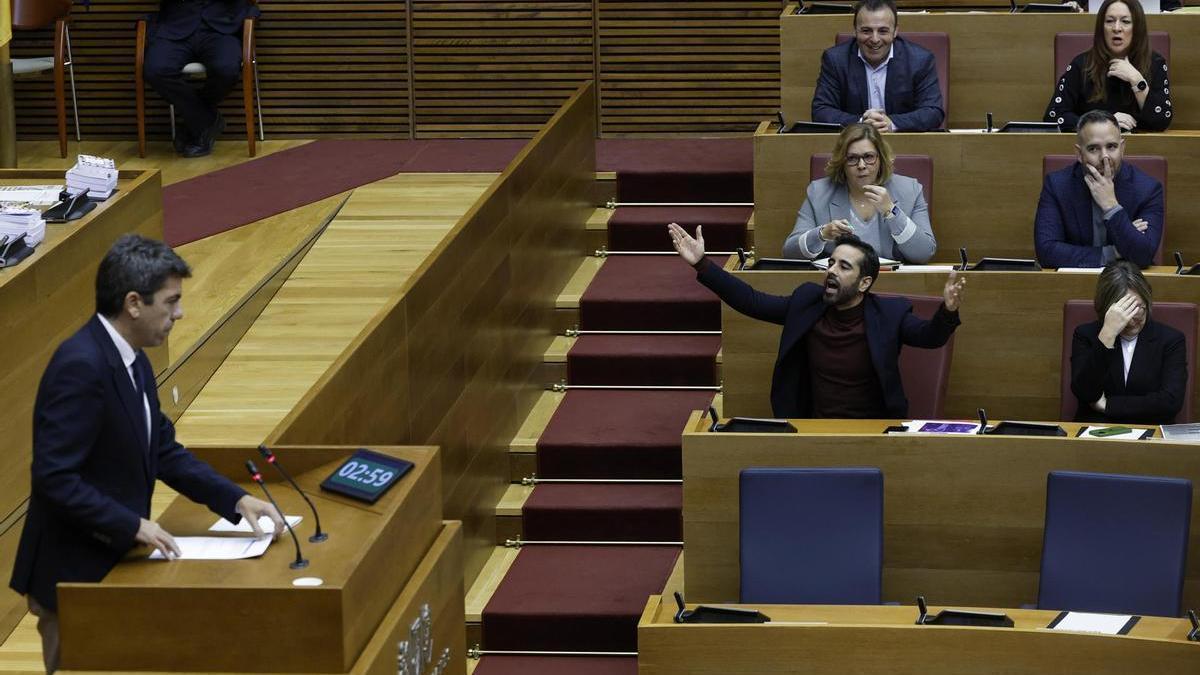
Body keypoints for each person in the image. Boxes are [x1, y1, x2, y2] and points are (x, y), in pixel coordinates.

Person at [9, 235, 283, 674]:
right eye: (171, 302)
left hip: (115, 562)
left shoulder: (133, 358)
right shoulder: (80, 366)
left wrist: (233, 498)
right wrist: (132, 524)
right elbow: (54, 478)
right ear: (134, 303)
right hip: (75, 573)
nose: (180, 314)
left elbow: (163, 451)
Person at [668, 225, 965, 418]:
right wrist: (702, 264)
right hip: (811, 426)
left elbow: (930, 337)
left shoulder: (890, 313)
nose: (831, 271)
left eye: (843, 266)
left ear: (864, 283)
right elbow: (752, 301)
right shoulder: (807, 302)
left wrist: (948, 311)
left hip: (873, 431)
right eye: (831, 262)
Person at [783, 123, 935, 263]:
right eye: (852, 158)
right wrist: (822, 234)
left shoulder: (910, 190)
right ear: (842, 162)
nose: (861, 165)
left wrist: (892, 212)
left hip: (894, 283)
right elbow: (790, 252)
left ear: (880, 158)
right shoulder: (819, 192)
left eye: (868, 157)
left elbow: (924, 253)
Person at [1034, 109, 1162, 269]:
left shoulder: (1148, 189)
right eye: (1093, 148)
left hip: (1127, 285)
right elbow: (1047, 252)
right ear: (1079, 154)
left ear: (1122, 149)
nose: (1105, 157)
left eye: (1111, 147)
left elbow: (1143, 255)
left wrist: (1111, 206)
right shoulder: (1057, 185)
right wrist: (1115, 252)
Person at [1070, 261, 1187, 424]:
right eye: (1125, 311)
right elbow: (1085, 393)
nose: (1132, 321)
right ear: (1107, 309)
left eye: (1138, 308)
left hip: (1151, 434)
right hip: (1095, 432)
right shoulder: (1086, 335)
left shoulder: (1171, 340)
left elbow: (1170, 402)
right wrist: (1107, 334)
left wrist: (1109, 405)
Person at [143, 0, 260, 158]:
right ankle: (206, 120)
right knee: (155, 69)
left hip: (223, 27)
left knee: (225, 69)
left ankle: (197, 120)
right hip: (175, 26)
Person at [811, 0, 944, 132]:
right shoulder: (835, 60)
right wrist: (861, 123)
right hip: (853, 146)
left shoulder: (920, 60)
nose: (875, 39)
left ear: (895, 32)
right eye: (866, 31)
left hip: (904, 143)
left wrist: (892, 123)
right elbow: (821, 111)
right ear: (855, 31)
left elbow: (933, 112)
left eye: (883, 31)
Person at [1043, 0, 1171, 133]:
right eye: (1109, 21)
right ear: (1101, 28)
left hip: (1142, 148)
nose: (1116, 28)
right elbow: (1053, 116)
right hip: (1094, 149)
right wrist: (1102, 122)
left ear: (1137, 28)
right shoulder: (1082, 64)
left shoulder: (1154, 63)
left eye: (1125, 22)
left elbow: (1161, 120)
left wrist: (1137, 80)